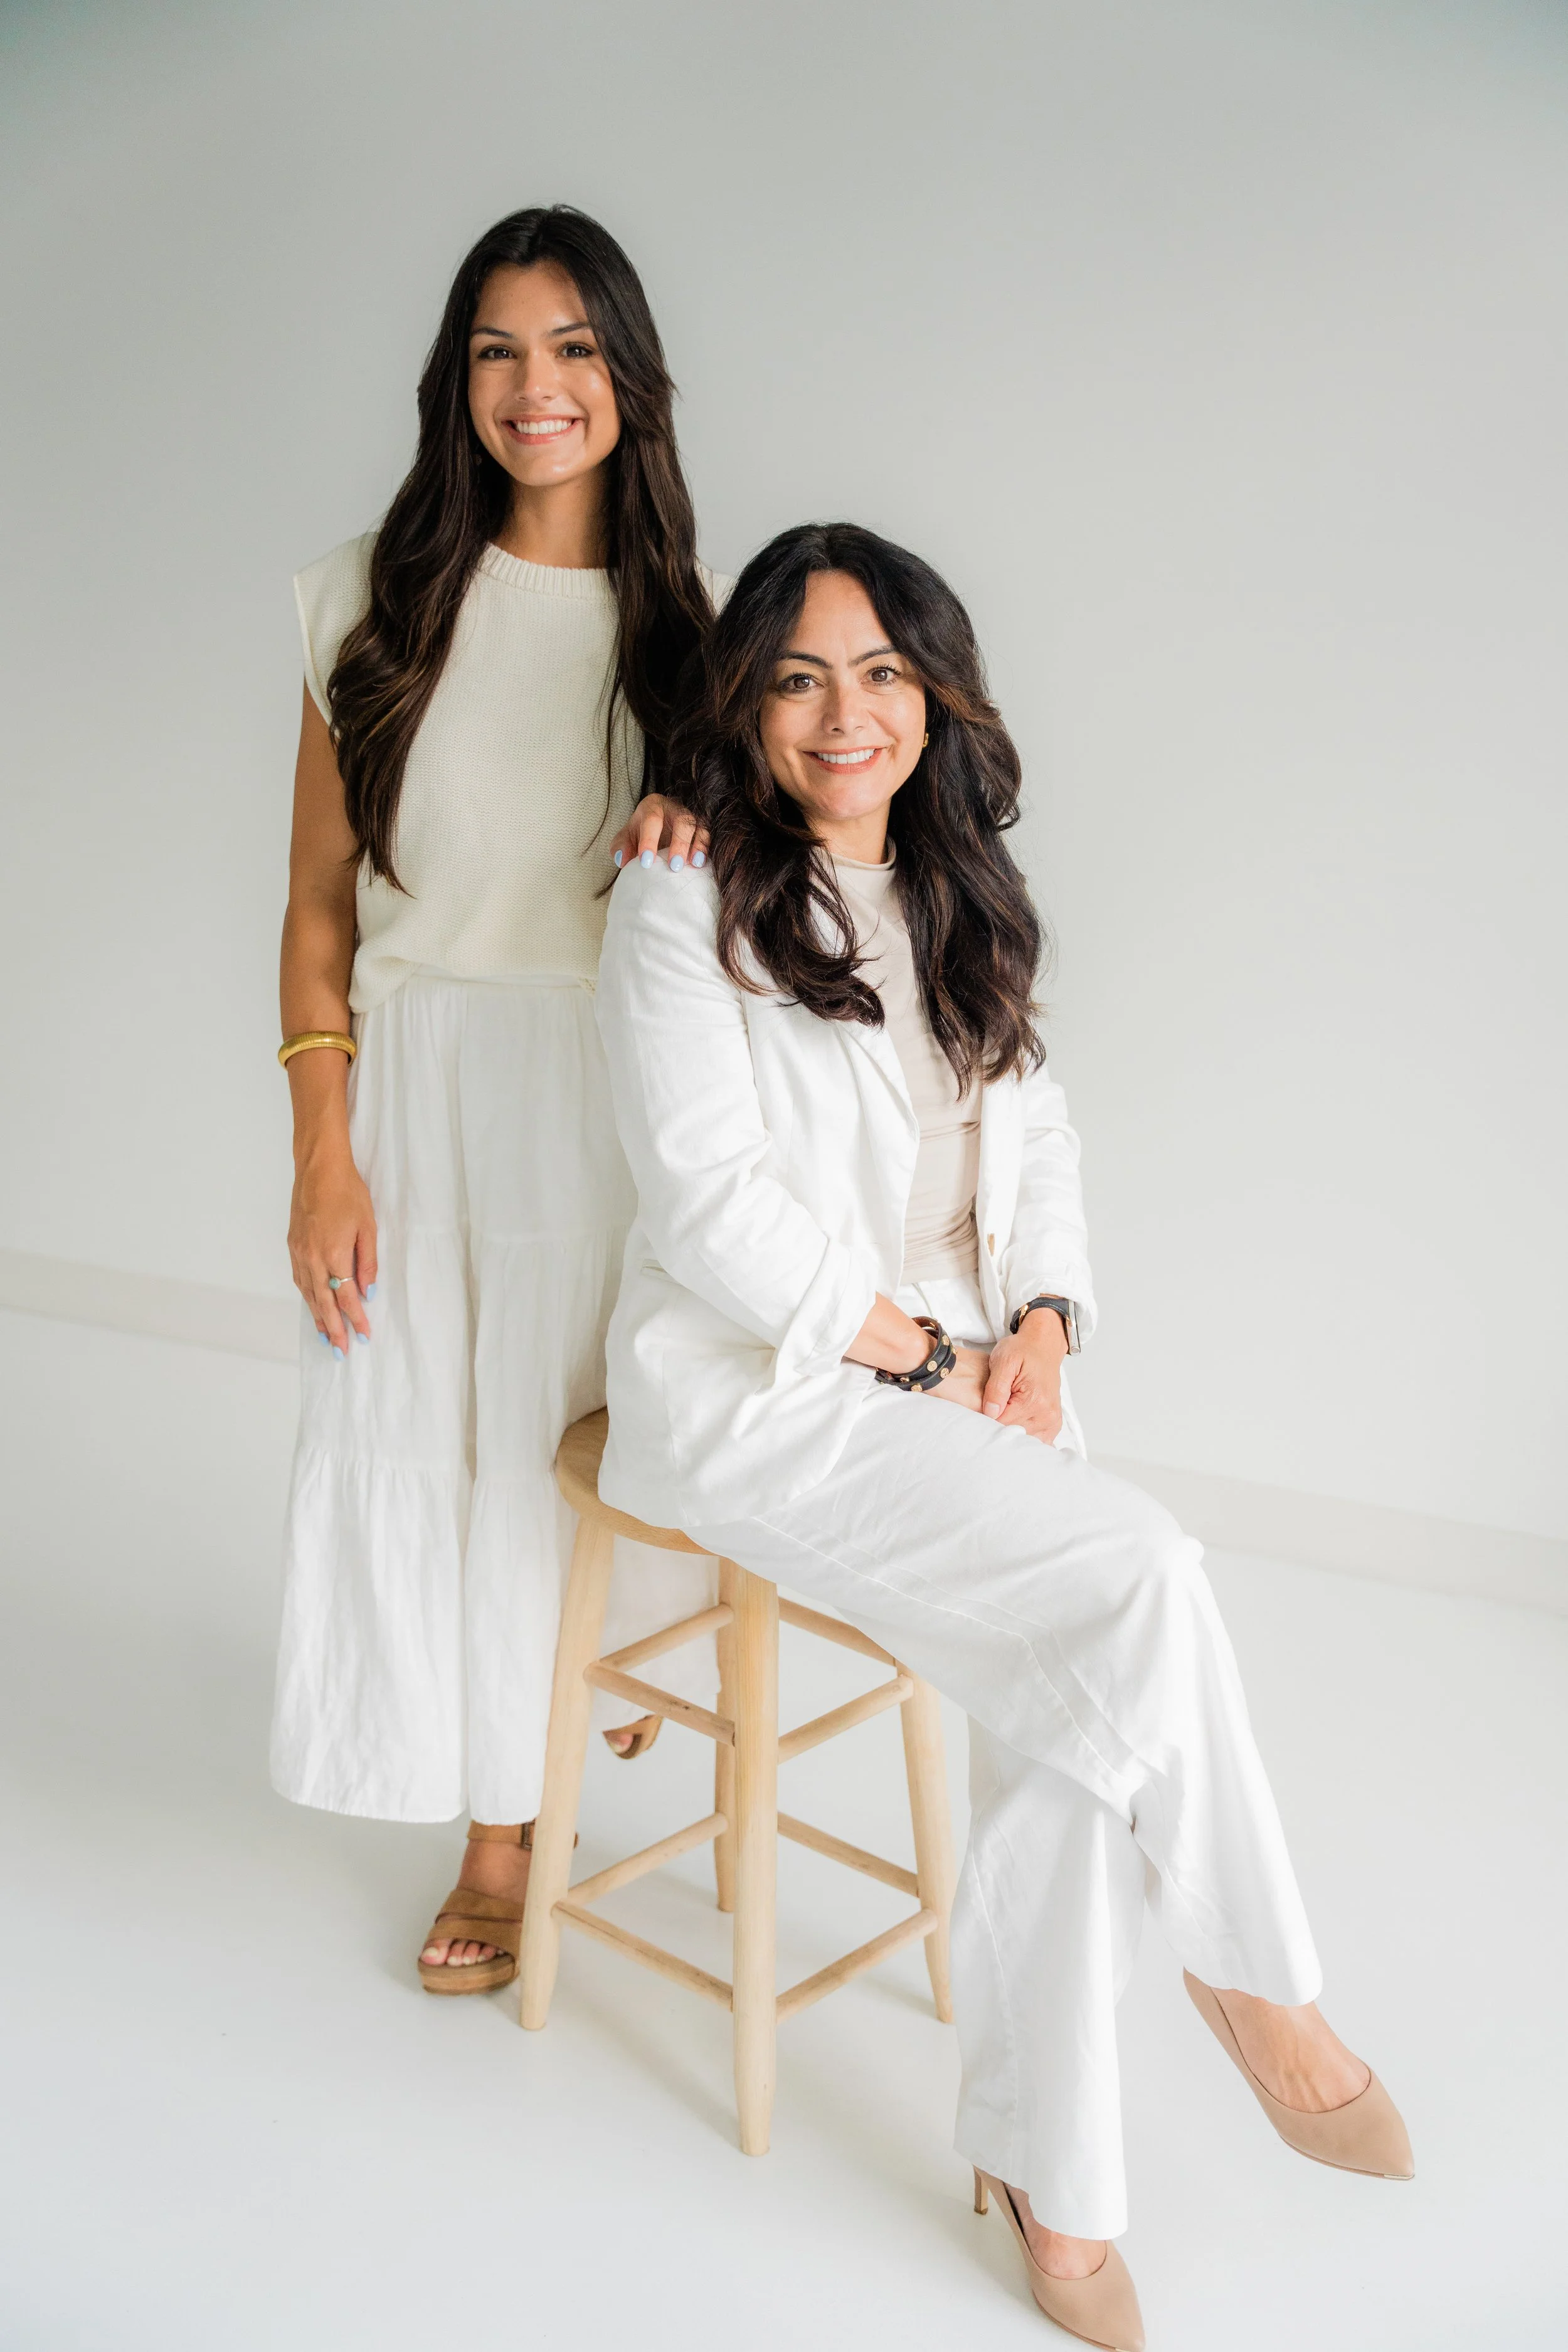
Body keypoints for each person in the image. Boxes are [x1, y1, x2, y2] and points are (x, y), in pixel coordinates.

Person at [593, 523, 1411, 2347]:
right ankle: (1254, 1984)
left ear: (934, 694)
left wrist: (1040, 1319)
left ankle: (1058, 2180)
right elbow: (711, 1205)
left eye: (881, 671)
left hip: (970, 1378)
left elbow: (1036, 1144)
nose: (843, 712)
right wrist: (922, 1356)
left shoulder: (960, 889)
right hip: (777, 1391)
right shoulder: (681, 895)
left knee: (1078, 1707)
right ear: (746, 699)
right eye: (798, 675)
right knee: (1147, 1573)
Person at [273, 206, 722, 1997]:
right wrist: (323, 1151)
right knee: (412, 1441)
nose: (535, 388)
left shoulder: (699, 635)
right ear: (455, 380)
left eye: (572, 348)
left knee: (554, 1456)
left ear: (628, 375)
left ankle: (534, 1787)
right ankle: (486, 1829)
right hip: (414, 1084)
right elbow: (314, 907)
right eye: (496, 350)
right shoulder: (362, 602)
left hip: (601, 1089)